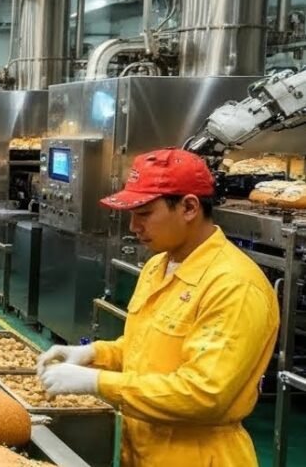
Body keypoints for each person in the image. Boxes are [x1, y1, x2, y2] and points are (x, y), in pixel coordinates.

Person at [36, 148, 278, 467]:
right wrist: (95, 355)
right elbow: (149, 347)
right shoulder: (157, 266)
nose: (133, 226)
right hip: (141, 446)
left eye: (144, 213)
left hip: (196, 455)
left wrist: (96, 383)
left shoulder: (233, 285)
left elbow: (204, 394)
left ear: (189, 207)